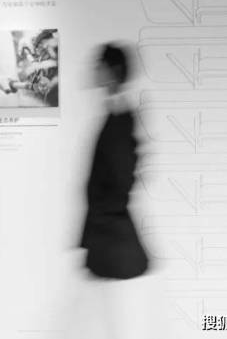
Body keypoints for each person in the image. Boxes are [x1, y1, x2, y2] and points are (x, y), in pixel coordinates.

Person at [80, 43, 148, 280]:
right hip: (106, 234)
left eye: (100, 65)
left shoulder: (120, 116)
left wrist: (104, 214)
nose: (95, 69)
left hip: (111, 239)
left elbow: (123, 173)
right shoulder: (115, 113)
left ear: (113, 71)